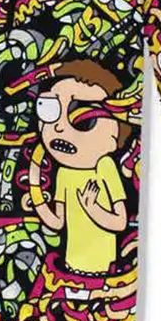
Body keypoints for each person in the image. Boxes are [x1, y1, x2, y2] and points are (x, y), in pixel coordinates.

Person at [29, 59, 131, 275]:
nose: (59, 127)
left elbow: (120, 222)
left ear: (114, 137)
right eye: (50, 109)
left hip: (104, 268)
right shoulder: (64, 173)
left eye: (83, 119)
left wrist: (93, 209)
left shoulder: (104, 165)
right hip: (72, 266)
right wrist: (34, 185)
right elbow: (57, 222)